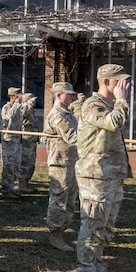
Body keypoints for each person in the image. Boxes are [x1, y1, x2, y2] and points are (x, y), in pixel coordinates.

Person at [75, 64, 132, 272]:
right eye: (119, 81)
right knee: (92, 226)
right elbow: (113, 123)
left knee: (105, 228)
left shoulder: (108, 105)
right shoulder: (93, 105)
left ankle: (96, 269)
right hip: (95, 177)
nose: (124, 86)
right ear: (107, 82)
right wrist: (121, 101)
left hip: (110, 176)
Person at [43, 82, 79, 253]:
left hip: (71, 161)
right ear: (58, 95)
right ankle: (55, 235)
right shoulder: (57, 115)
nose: (72, 97)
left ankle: (63, 231)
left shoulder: (68, 113)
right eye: (69, 94)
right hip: (60, 162)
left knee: (71, 200)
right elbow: (73, 137)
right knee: (59, 199)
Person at [0, 87, 23, 198]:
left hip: (17, 140)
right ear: (13, 97)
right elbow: (8, 117)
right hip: (9, 140)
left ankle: (11, 187)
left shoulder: (18, 109)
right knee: (8, 165)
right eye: (18, 96)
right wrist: (16, 105)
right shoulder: (7, 107)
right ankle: (6, 188)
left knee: (16, 165)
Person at [18, 92, 39, 192]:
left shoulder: (32, 111)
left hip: (32, 140)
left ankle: (26, 183)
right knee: (25, 162)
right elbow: (22, 115)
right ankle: (22, 184)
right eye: (32, 100)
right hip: (26, 139)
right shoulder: (25, 108)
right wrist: (27, 105)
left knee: (31, 162)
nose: (34, 101)